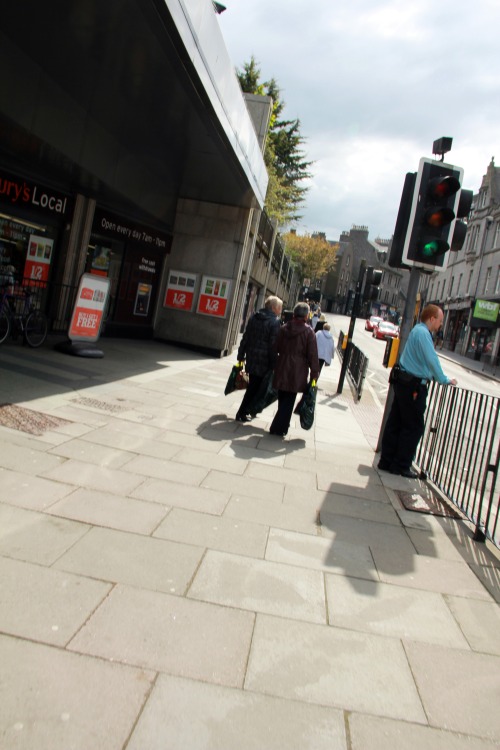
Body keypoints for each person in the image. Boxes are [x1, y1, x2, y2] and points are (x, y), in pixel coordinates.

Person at [378, 304, 457, 478]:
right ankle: (401, 465)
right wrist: (443, 379)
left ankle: (387, 461)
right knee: (414, 427)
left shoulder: (418, 331)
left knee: (396, 422)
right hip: (412, 386)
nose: (441, 324)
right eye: (440, 320)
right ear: (432, 319)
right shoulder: (423, 334)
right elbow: (431, 359)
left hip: (404, 382)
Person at [269, 301, 319, 437]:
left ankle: (282, 425)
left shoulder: (284, 328)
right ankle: (278, 427)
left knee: (283, 398)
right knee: (289, 400)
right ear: (306, 315)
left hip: (282, 366)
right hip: (297, 371)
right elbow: (313, 355)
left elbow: (275, 347)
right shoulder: (309, 332)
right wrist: (315, 374)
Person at [235, 295, 283, 422]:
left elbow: (246, 337)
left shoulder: (254, 317)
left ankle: (248, 410)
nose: (280, 310)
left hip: (251, 357)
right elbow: (273, 346)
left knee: (254, 386)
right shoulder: (275, 322)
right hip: (264, 361)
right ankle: (242, 412)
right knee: (255, 388)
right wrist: (274, 365)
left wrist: (241, 355)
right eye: (279, 307)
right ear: (273, 308)